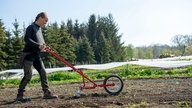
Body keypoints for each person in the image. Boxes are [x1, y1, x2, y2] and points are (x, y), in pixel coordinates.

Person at [16, 12, 58, 101]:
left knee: (43, 72)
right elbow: (26, 39)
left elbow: (40, 43)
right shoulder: (31, 27)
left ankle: (46, 92)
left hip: (36, 55)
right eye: (45, 20)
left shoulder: (39, 29)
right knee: (28, 76)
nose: (46, 23)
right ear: (39, 17)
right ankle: (20, 95)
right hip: (28, 56)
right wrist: (38, 45)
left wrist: (44, 47)